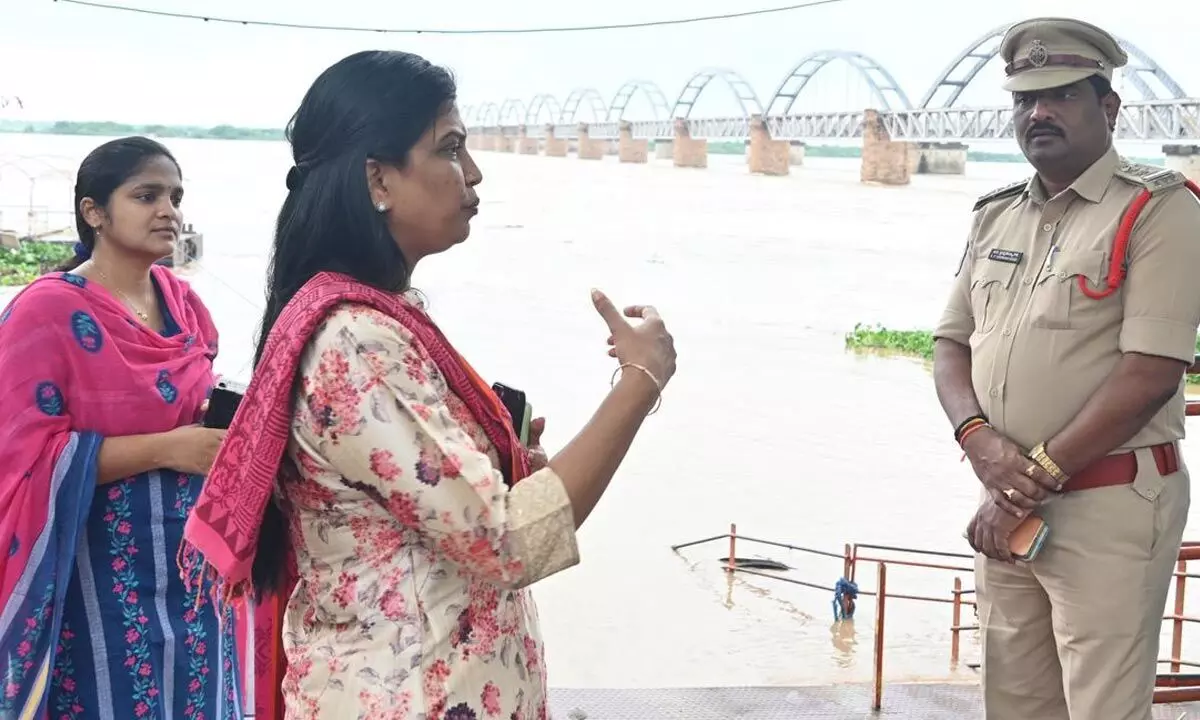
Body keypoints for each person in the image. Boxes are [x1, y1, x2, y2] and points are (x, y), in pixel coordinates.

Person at [179, 50, 677, 720]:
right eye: (450, 148)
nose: (473, 173)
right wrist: (638, 384)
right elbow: (509, 541)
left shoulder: (378, 318)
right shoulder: (357, 342)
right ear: (378, 178)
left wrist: (505, 454)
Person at [932, 17, 1200, 720]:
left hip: (1109, 505)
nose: (1038, 113)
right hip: (1008, 506)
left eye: (1059, 96)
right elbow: (950, 345)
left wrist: (1032, 477)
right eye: (1024, 99)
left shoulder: (1157, 210)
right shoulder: (996, 215)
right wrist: (978, 442)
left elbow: (1153, 370)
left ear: (1108, 108)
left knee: (1103, 708)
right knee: (1015, 704)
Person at [0, 137, 246, 718]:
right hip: (92, 573)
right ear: (94, 212)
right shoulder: (45, 313)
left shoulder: (186, 305)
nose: (169, 211)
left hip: (194, 568)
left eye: (175, 196)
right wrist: (168, 449)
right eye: (146, 195)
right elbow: (22, 458)